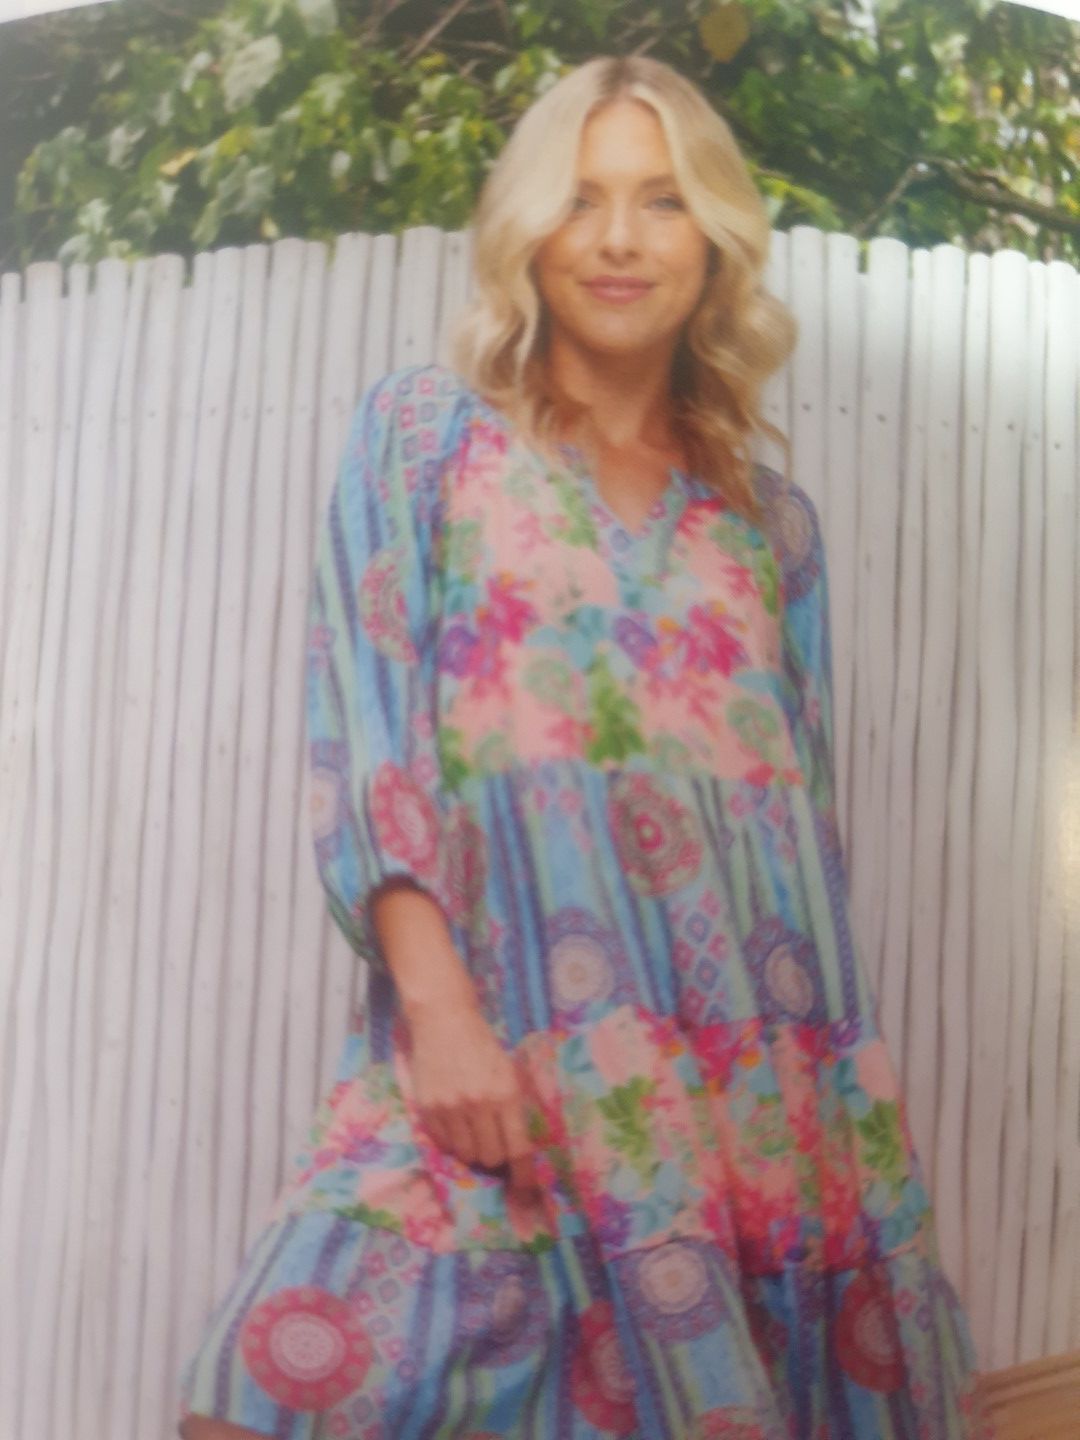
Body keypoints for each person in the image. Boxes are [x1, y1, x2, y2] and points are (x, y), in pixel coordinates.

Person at [179, 55, 992, 1440]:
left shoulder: (768, 528)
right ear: (530, 231)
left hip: (741, 1083)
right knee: (273, 1380)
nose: (619, 239)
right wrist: (435, 1014)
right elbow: (368, 734)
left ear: (716, 242)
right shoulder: (425, 441)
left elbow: (803, 840)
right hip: (498, 1049)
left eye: (664, 203)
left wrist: (834, 1099)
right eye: (583, 199)